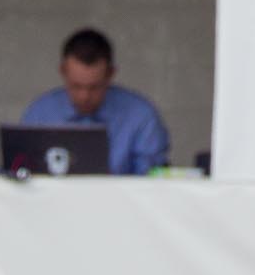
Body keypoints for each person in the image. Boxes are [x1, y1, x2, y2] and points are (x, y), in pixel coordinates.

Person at [19, 28, 170, 176]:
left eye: (94, 87)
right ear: (63, 71)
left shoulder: (141, 116)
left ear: (111, 74)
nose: (84, 96)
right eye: (76, 86)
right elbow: (22, 175)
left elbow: (152, 184)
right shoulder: (40, 113)